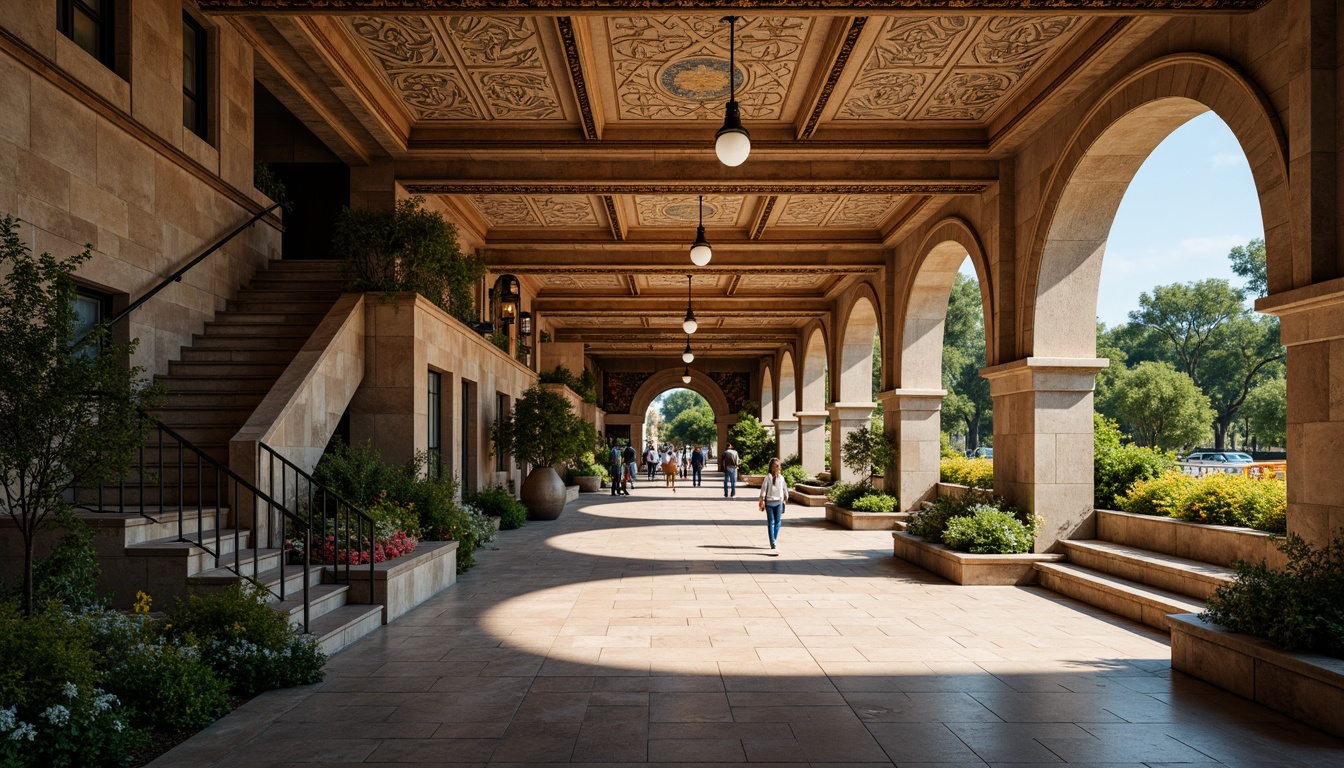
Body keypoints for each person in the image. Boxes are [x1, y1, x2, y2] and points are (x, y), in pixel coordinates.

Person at [758, 457, 789, 550]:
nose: (777, 468)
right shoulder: (768, 477)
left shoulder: (781, 478)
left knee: (776, 522)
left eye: (778, 466)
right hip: (771, 503)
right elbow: (764, 489)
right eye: (775, 466)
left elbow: (784, 488)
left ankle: (773, 540)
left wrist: (786, 497)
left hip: (778, 502)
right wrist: (762, 499)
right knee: (773, 522)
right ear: (771, 467)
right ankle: (773, 541)